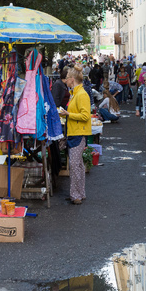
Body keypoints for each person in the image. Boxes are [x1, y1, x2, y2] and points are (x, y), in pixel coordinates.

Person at [59, 68, 91, 205]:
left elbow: (85, 116)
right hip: (75, 132)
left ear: (72, 79)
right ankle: (79, 193)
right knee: (77, 165)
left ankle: (76, 195)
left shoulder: (81, 94)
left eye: (67, 77)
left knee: (75, 165)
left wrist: (68, 115)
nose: (65, 80)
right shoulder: (75, 93)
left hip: (78, 133)